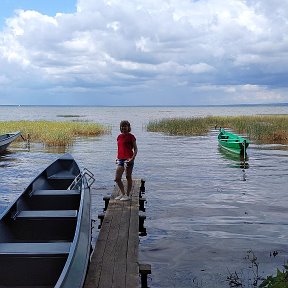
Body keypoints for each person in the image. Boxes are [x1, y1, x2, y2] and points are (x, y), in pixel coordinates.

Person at [114, 120, 138, 201]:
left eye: (125, 126)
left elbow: (135, 149)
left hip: (129, 159)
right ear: (120, 127)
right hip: (120, 159)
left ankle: (127, 195)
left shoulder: (131, 136)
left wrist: (132, 158)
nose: (124, 127)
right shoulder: (119, 137)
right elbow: (120, 148)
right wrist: (117, 158)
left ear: (128, 127)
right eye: (122, 126)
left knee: (128, 177)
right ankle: (123, 193)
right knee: (117, 178)